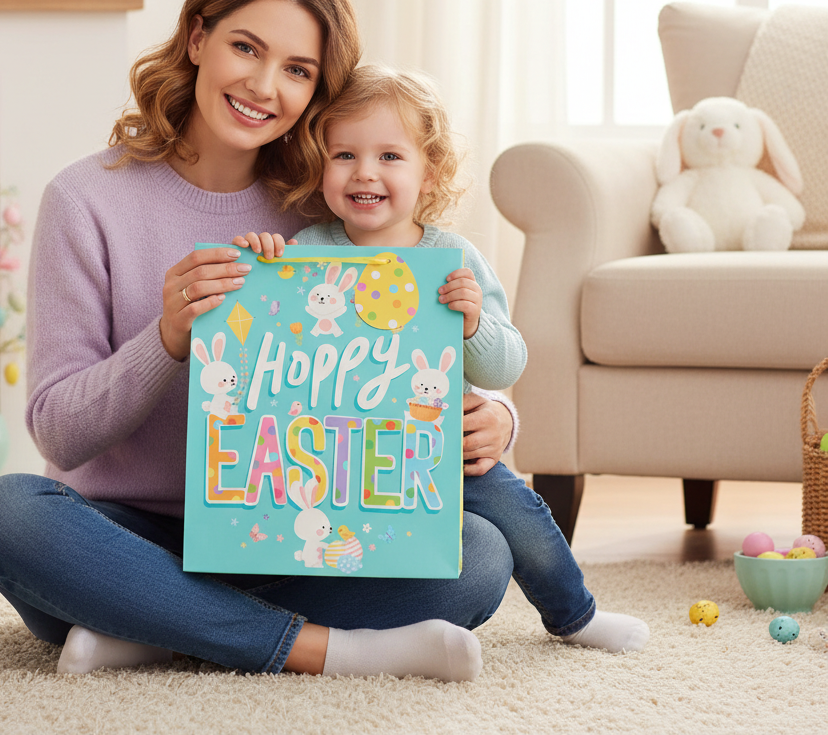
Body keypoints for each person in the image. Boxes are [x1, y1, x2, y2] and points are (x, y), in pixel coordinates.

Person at [0, 0, 518, 684]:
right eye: (245, 48)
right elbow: (59, 430)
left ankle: (154, 628)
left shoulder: (329, 206)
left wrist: (499, 416)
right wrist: (164, 339)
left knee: (480, 556)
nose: (263, 86)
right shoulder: (85, 200)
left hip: (288, 537)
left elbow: (425, 336)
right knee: (6, 514)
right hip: (126, 535)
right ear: (198, 40)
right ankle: (321, 649)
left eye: (298, 69)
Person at [237, 63, 649, 655]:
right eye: (344, 155)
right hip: (335, 454)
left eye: (390, 156)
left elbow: (505, 367)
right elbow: (271, 346)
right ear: (321, 166)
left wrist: (474, 323)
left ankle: (574, 614)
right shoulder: (306, 250)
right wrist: (263, 267)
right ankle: (294, 617)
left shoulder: (453, 257)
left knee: (520, 510)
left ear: (430, 174)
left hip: (438, 446)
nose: (365, 172)